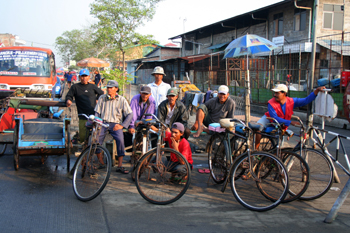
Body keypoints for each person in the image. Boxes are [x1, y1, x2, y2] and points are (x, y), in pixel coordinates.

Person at [255, 84, 326, 149]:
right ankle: (256, 150)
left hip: (282, 122)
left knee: (277, 146)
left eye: (277, 93)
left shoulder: (291, 101)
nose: (275, 95)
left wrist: (316, 91)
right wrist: (291, 122)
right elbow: (274, 118)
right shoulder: (271, 102)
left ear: (284, 94)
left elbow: (305, 100)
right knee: (258, 128)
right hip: (268, 118)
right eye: (275, 93)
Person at [94, 80, 133, 174]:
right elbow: (97, 112)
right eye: (108, 87)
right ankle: (101, 162)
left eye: (111, 88)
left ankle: (120, 165)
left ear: (116, 89)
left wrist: (122, 125)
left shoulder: (122, 99)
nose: (109, 89)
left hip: (115, 124)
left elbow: (130, 114)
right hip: (103, 122)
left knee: (120, 140)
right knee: (96, 139)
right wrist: (97, 123)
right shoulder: (102, 98)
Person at [66, 68, 104, 145]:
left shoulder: (92, 86)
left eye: (86, 76)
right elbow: (69, 95)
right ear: (79, 77)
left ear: (89, 77)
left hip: (93, 115)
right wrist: (68, 100)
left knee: (95, 137)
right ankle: (85, 149)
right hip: (82, 115)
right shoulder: (75, 87)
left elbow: (101, 93)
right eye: (82, 76)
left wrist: (97, 99)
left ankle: (92, 151)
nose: (84, 78)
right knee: (83, 137)